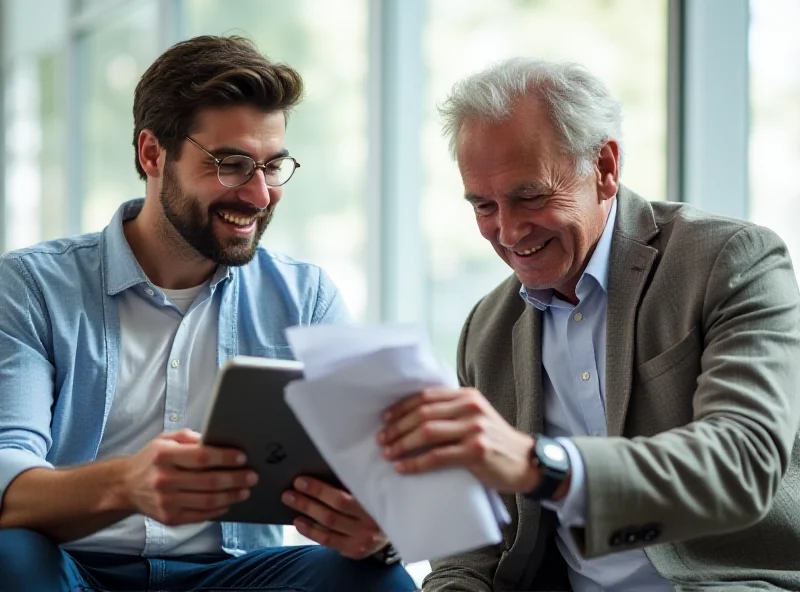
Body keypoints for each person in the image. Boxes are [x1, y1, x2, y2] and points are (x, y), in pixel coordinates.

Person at [0, 35, 415, 592]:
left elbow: (381, 475)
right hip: (71, 566)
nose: (260, 195)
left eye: (273, 166)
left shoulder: (306, 297)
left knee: (374, 579)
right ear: (152, 154)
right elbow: (8, 480)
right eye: (233, 164)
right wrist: (128, 484)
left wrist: (379, 529)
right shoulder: (32, 286)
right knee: (8, 553)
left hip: (235, 573)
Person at [378, 57, 800, 591]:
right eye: (484, 205)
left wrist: (543, 466)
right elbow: (471, 557)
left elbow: (743, 462)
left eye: (529, 195)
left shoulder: (728, 260)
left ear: (604, 167)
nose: (507, 232)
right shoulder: (487, 330)